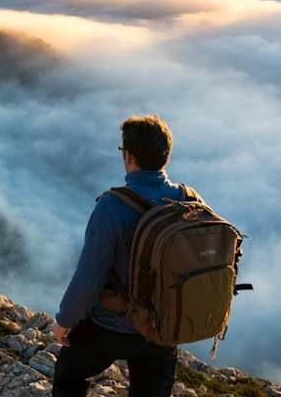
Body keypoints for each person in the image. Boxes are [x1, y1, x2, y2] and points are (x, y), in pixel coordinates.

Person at [52, 115, 186, 397]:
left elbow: (89, 275)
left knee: (68, 375)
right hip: (162, 329)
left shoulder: (112, 206)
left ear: (128, 157)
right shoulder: (188, 201)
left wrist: (65, 321)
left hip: (112, 327)